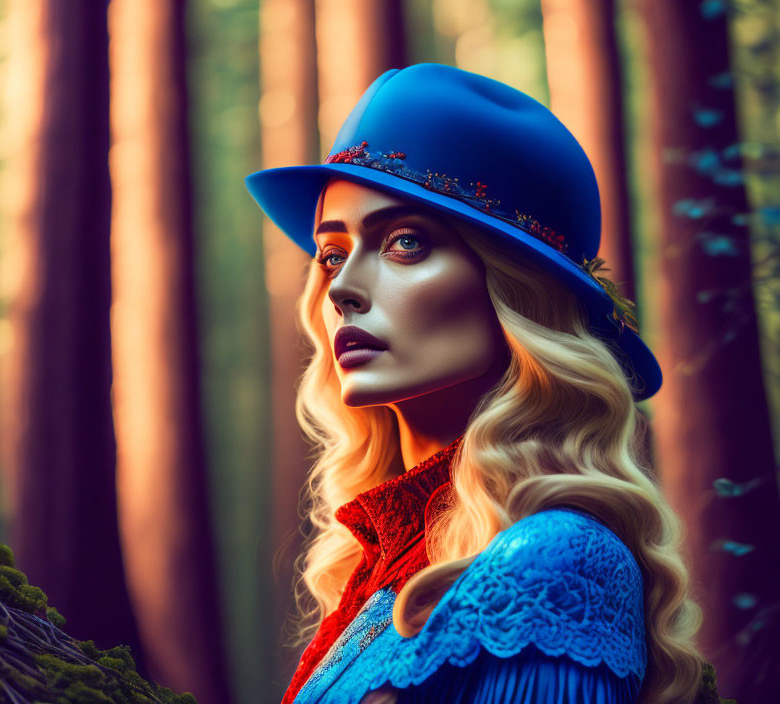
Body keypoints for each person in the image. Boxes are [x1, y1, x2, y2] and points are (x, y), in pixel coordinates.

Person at [245, 64, 706, 704]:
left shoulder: (559, 559)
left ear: (517, 293)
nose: (342, 289)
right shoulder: (377, 566)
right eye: (331, 254)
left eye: (404, 242)